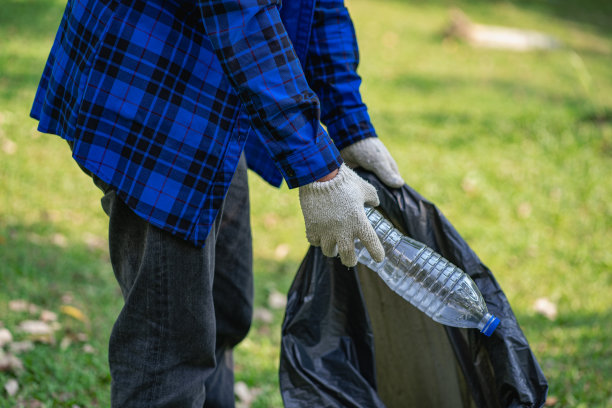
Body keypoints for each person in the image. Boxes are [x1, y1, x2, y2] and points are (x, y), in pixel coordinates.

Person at [31, 0, 404, 406]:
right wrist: (319, 172)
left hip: (214, 93)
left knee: (227, 308)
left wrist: (350, 124)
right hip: (150, 80)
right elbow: (240, 13)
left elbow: (317, 4)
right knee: (170, 344)